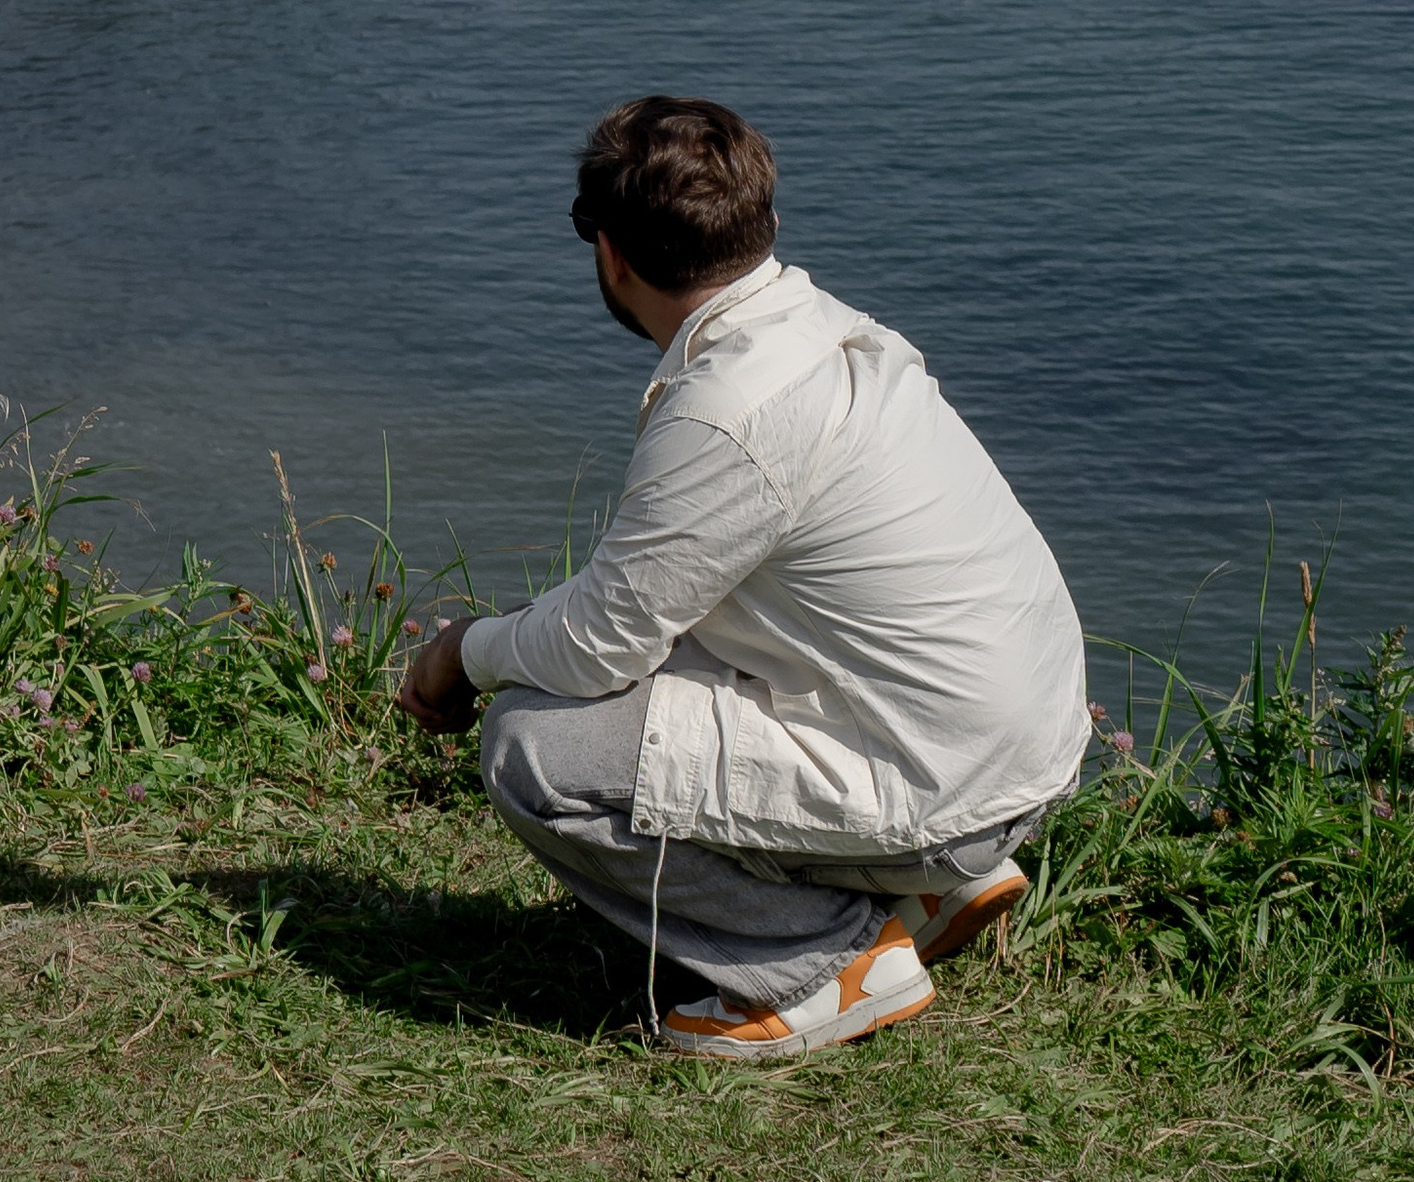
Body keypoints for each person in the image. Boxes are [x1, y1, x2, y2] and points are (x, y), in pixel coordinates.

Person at [397, 97, 1090, 1062]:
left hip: (951, 791)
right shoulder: (824, 330)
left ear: (611, 255)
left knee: (535, 747)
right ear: (758, 223)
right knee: (664, 652)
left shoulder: (727, 410)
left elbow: (600, 644)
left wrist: (459, 654)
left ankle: (822, 965)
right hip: (1014, 754)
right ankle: (918, 889)